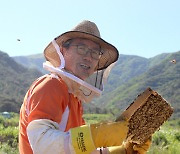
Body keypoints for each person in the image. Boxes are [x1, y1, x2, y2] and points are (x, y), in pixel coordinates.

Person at [19, 20, 151, 154]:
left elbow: (78, 149)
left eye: (95, 53)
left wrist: (122, 150)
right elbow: (43, 145)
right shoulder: (51, 85)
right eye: (81, 48)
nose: (88, 57)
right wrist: (96, 135)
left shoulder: (74, 97)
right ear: (63, 50)